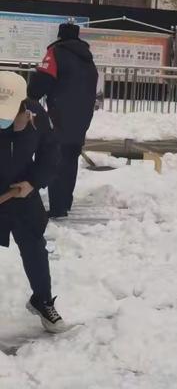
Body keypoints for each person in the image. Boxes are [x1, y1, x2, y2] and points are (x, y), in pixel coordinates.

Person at [0, 71, 66, 332]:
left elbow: (51, 153)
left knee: (34, 248)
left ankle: (42, 299)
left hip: (22, 190)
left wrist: (34, 183)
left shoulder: (36, 115)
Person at [28, 23, 98, 218]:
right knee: (70, 156)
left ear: (60, 36)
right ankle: (65, 202)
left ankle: (58, 207)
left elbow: (41, 82)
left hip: (60, 113)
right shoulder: (87, 58)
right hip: (83, 114)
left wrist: (31, 93)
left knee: (57, 157)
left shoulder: (56, 52)